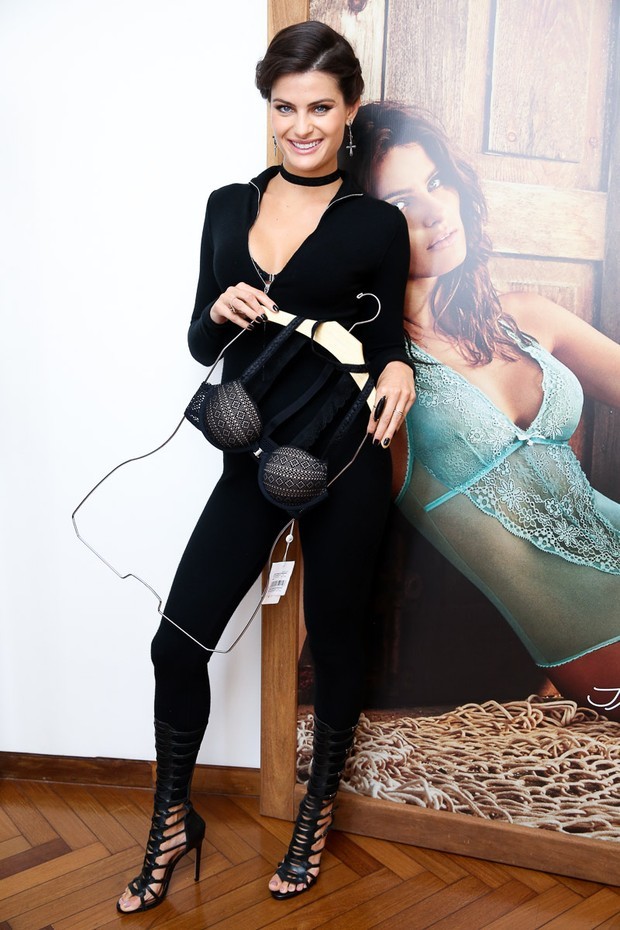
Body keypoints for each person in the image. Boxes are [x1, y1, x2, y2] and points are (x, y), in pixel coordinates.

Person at [116, 26, 415, 913]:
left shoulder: (377, 223)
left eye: (320, 107)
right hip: (252, 454)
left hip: (346, 456)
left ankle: (315, 813)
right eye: (285, 107)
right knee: (177, 642)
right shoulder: (227, 204)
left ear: (350, 110)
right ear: (269, 109)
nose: (301, 126)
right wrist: (218, 309)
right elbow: (200, 340)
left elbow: (386, 340)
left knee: (336, 636)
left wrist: (400, 368)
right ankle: (174, 821)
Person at [348, 101, 620, 721]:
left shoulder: (524, 317)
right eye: (401, 203)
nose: (435, 211)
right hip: (593, 641)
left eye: (437, 182)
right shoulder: (380, 379)